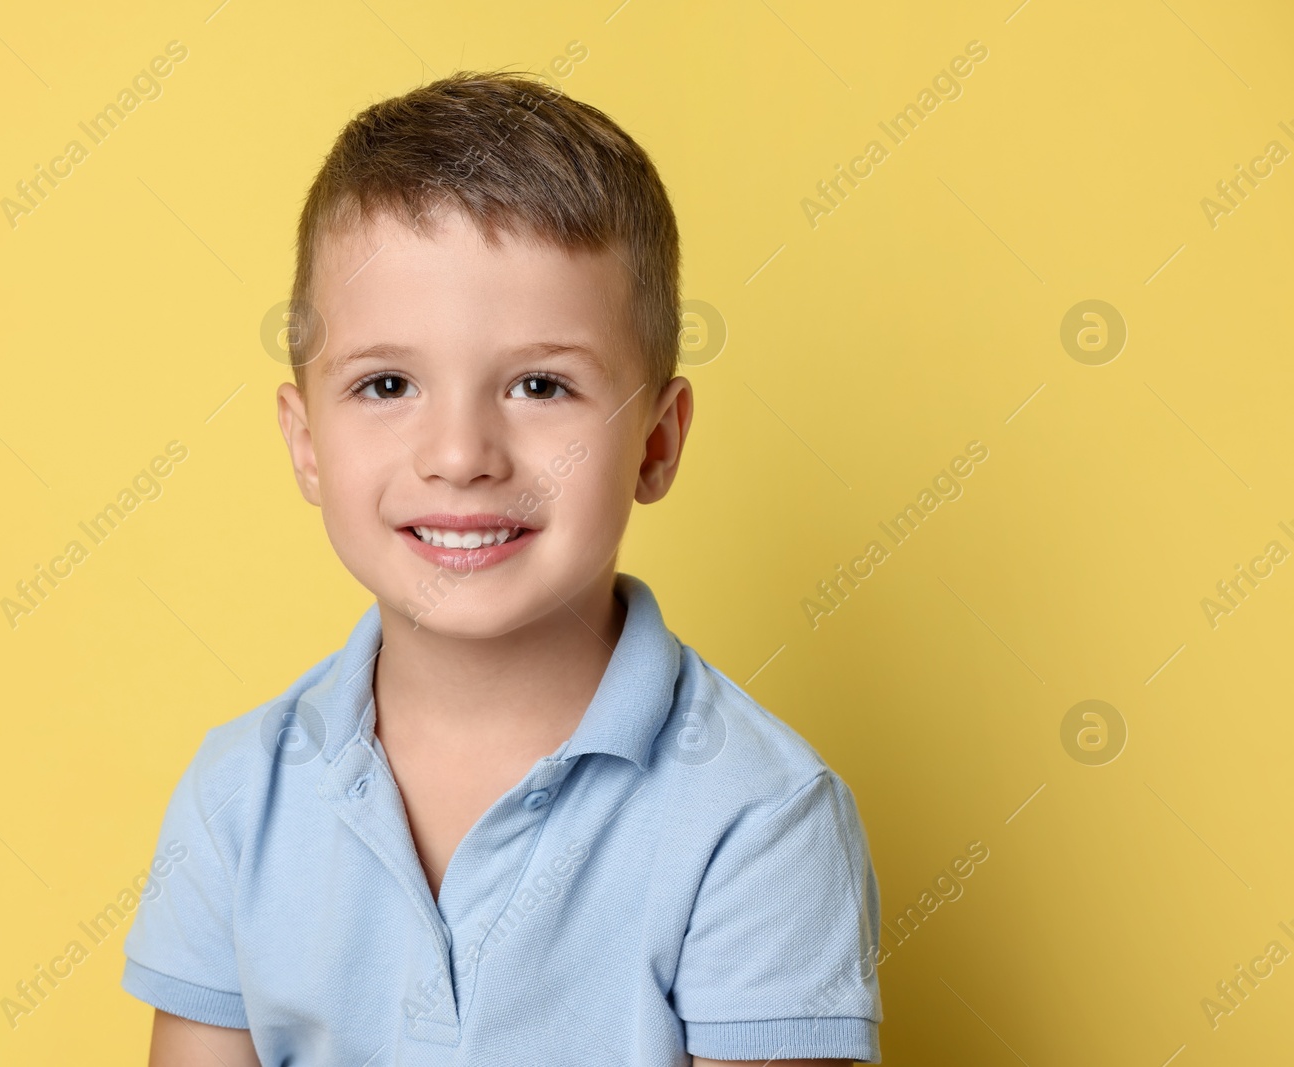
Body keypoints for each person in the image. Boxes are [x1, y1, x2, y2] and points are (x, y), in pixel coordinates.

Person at [121, 69, 881, 1066]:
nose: (460, 451)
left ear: (654, 444)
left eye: (539, 383)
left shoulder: (759, 816)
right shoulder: (236, 799)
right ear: (305, 442)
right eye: (387, 382)